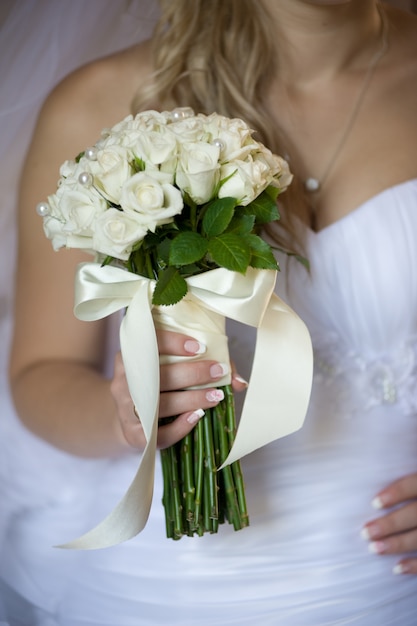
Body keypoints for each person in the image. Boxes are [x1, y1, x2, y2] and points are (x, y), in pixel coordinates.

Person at [4, 0, 417, 623]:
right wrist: (128, 415)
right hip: (177, 588)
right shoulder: (102, 103)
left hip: (393, 578)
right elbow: (43, 370)